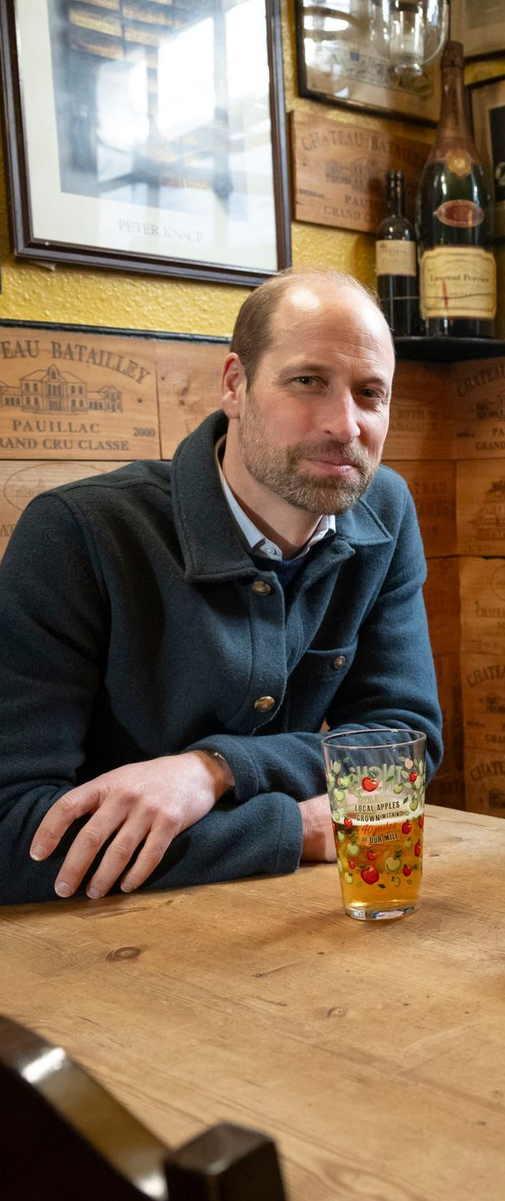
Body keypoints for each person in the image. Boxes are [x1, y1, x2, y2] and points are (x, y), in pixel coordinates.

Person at [0, 268, 442, 905]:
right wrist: (291, 828)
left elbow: (403, 743)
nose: (345, 425)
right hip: (92, 949)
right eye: (308, 381)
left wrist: (213, 770)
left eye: (370, 393)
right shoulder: (76, 534)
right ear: (235, 384)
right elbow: (16, 834)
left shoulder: (385, 512)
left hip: (289, 929)